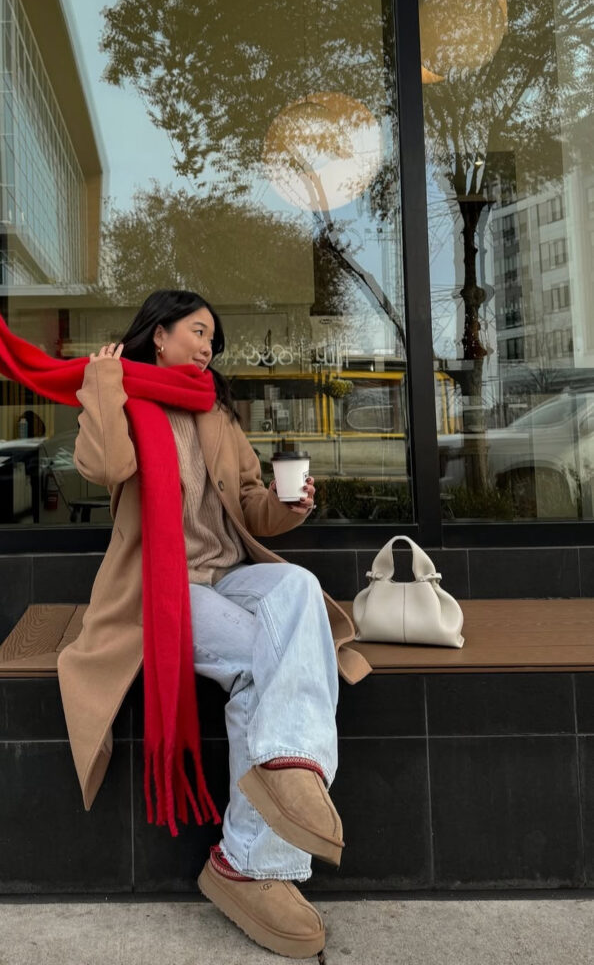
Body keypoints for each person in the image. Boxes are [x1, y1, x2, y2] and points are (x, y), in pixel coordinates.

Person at [57, 291, 354, 960]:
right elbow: (102, 468)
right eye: (197, 331)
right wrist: (100, 385)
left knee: (299, 587)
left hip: (225, 575)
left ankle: (288, 768)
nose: (208, 346)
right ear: (159, 336)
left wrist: (287, 504)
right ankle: (249, 861)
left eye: (213, 339)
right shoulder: (124, 399)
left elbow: (248, 506)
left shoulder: (214, 411)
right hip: (162, 589)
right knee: (263, 661)